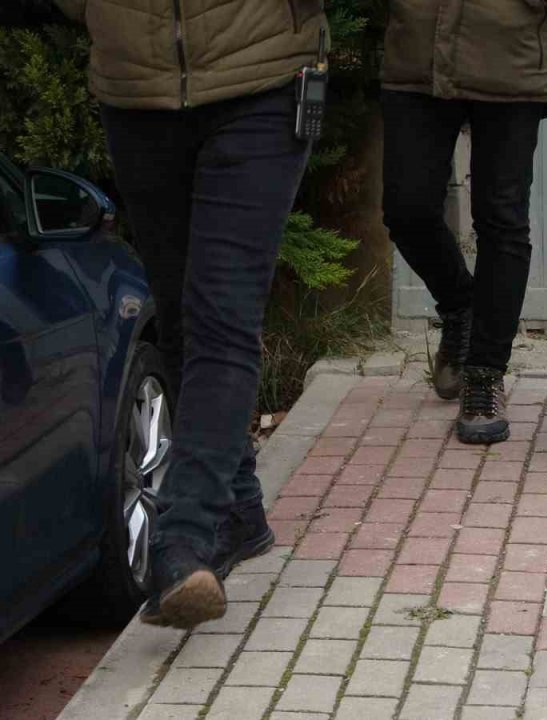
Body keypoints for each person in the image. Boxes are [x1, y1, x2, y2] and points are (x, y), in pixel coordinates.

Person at [46, 0, 327, 627]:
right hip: (137, 87)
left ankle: (184, 541)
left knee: (221, 315)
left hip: (263, 77)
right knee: (178, 313)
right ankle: (239, 514)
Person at [382, 0, 547, 444]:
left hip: (512, 56)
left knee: (502, 219)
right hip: (417, 53)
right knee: (407, 210)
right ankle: (461, 307)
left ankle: (484, 374)